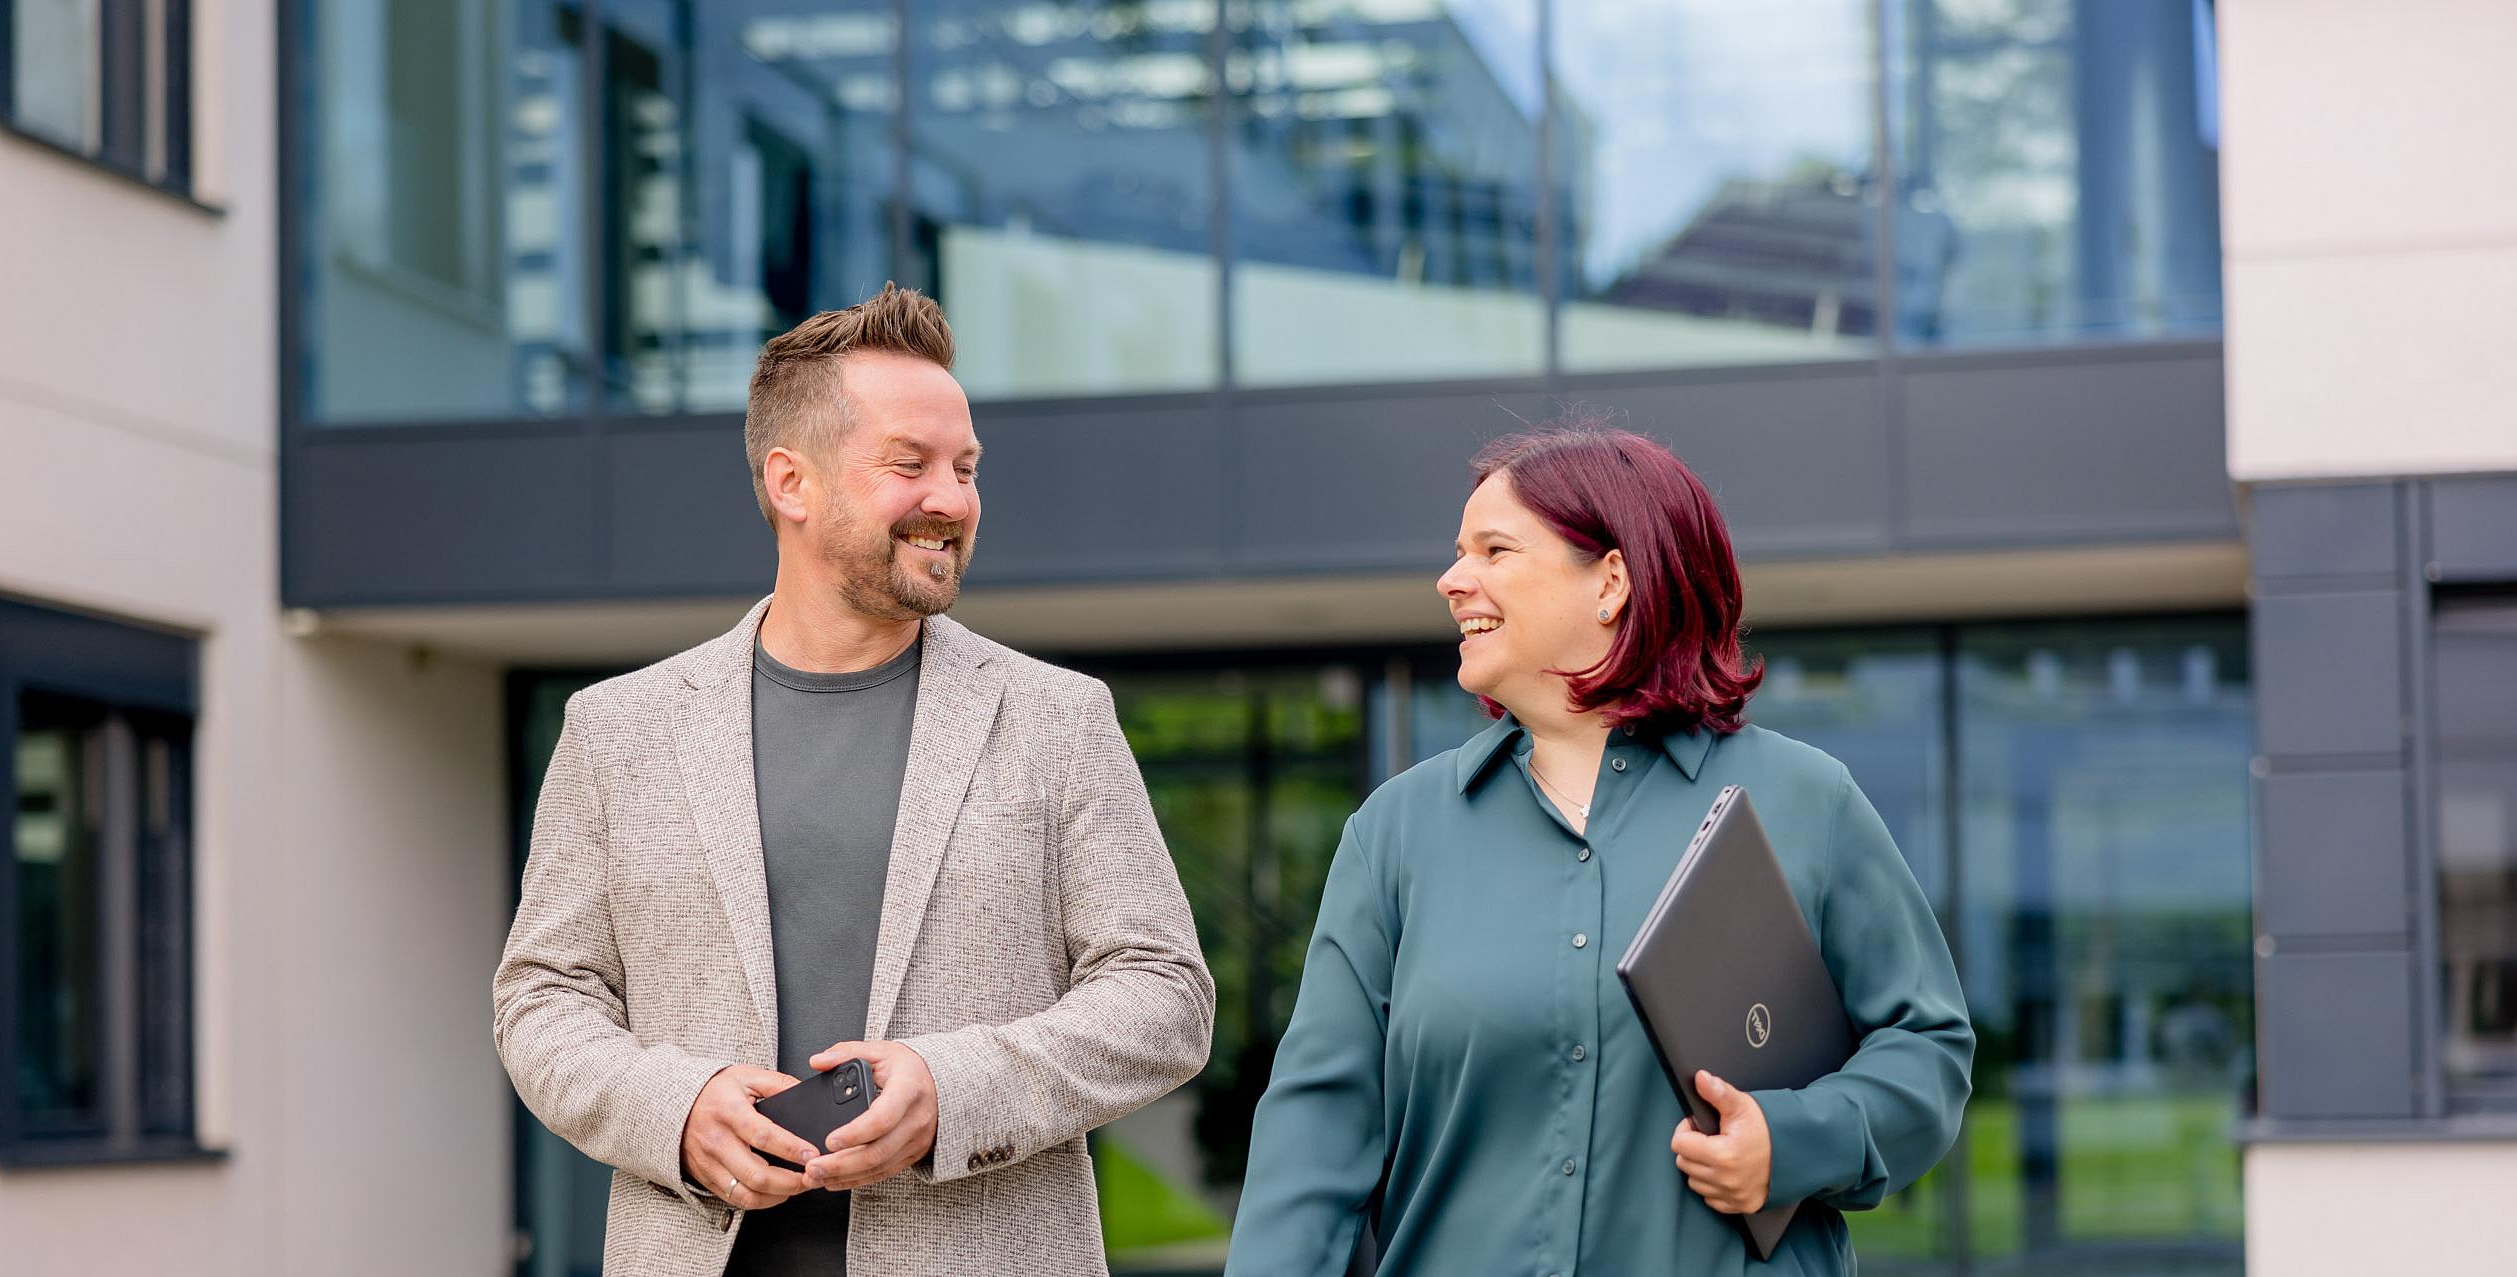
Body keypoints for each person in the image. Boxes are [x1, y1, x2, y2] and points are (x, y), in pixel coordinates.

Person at [493, 284, 1214, 1276]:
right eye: (908, 464)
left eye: (965, 468)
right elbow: (542, 999)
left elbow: (1164, 994)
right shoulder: (619, 730)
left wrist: (956, 1086)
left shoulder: (1058, 717)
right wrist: (675, 1108)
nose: (952, 499)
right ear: (791, 481)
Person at [1224, 423, 1972, 1275]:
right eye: (1456, 552)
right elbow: (1312, 1139)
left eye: (1493, 549)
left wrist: (1793, 1141)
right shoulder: (1396, 835)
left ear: (1612, 579)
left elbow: (1928, 1050)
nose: (1451, 579)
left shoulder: (1807, 802)